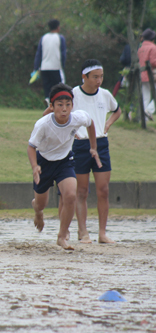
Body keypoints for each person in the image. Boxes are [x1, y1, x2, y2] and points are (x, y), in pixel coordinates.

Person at [28, 83, 101, 251]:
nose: (64, 109)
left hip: (65, 161)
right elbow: (31, 147)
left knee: (70, 195)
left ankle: (62, 236)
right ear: (52, 107)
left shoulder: (78, 117)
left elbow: (90, 123)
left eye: (68, 105)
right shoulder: (43, 124)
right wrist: (34, 167)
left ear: (72, 106)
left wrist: (93, 147)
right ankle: (37, 211)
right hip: (44, 162)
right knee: (41, 204)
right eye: (60, 105)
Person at [70, 60, 121, 244]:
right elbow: (61, 114)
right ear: (84, 77)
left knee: (103, 190)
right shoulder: (73, 94)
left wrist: (108, 123)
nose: (99, 81)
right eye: (95, 77)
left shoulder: (105, 95)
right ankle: (83, 231)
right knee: (82, 190)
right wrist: (72, 132)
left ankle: (102, 232)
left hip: (101, 144)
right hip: (81, 145)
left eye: (101, 77)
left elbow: (117, 110)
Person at [33, 19, 66, 105]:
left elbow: (38, 53)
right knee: (59, 88)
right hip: (56, 67)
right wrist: (63, 65)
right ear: (58, 27)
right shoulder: (60, 38)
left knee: (48, 88)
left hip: (44, 68)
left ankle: (48, 101)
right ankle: (57, 104)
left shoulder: (44, 37)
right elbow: (63, 53)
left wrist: (36, 68)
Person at [137, 28, 156, 120]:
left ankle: (143, 118)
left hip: (142, 75)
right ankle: (148, 111)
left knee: (145, 97)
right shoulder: (153, 47)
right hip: (152, 75)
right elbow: (153, 62)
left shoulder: (140, 48)